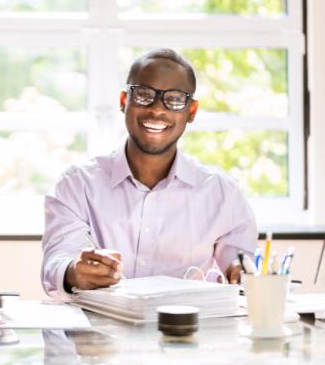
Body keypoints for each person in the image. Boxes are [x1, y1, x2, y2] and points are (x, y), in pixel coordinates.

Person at [41, 49, 257, 300]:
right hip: (99, 334)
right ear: (124, 101)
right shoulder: (77, 184)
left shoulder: (222, 193)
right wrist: (73, 271)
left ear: (192, 111)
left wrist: (242, 274)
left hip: (188, 332)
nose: (156, 110)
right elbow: (56, 261)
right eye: (144, 95)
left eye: (175, 99)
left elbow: (241, 268)